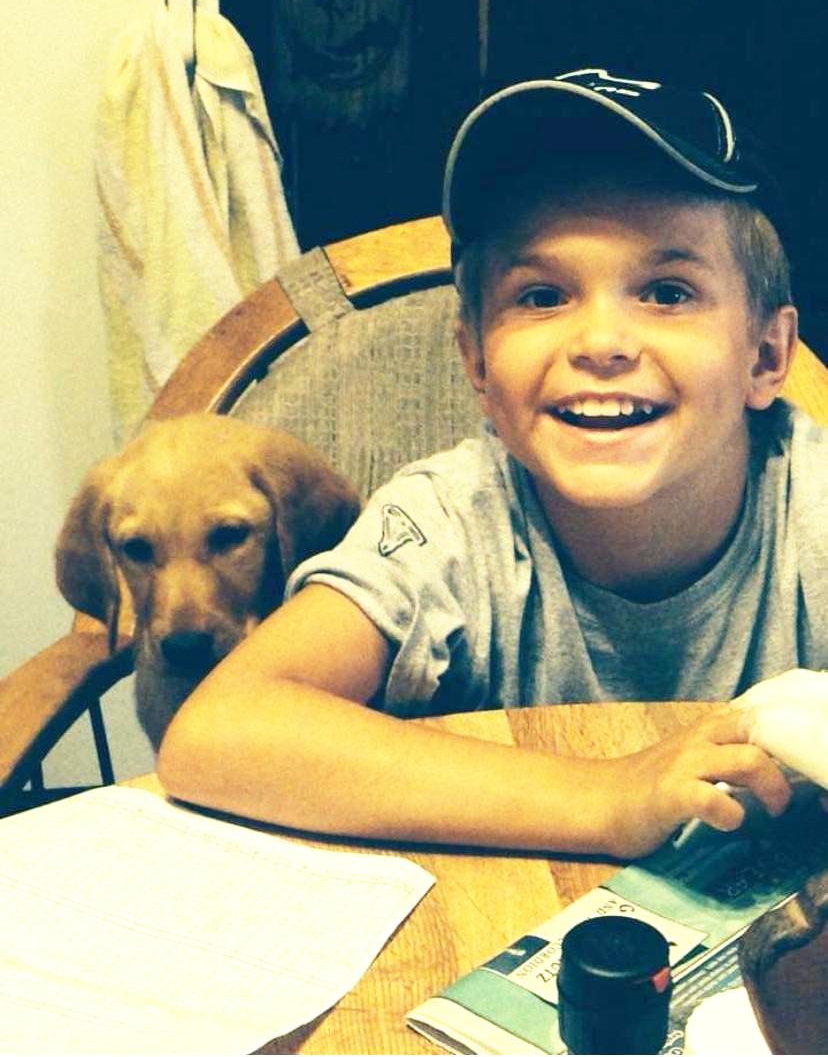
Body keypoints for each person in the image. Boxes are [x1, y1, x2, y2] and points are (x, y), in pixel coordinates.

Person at [157, 67, 827, 859]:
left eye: (668, 292)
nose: (601, 343)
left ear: (766, 355)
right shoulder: (450, 520)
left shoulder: (810, 505)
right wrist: (606, 797)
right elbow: (219, 729)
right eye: (542, 297)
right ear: (475, 359)